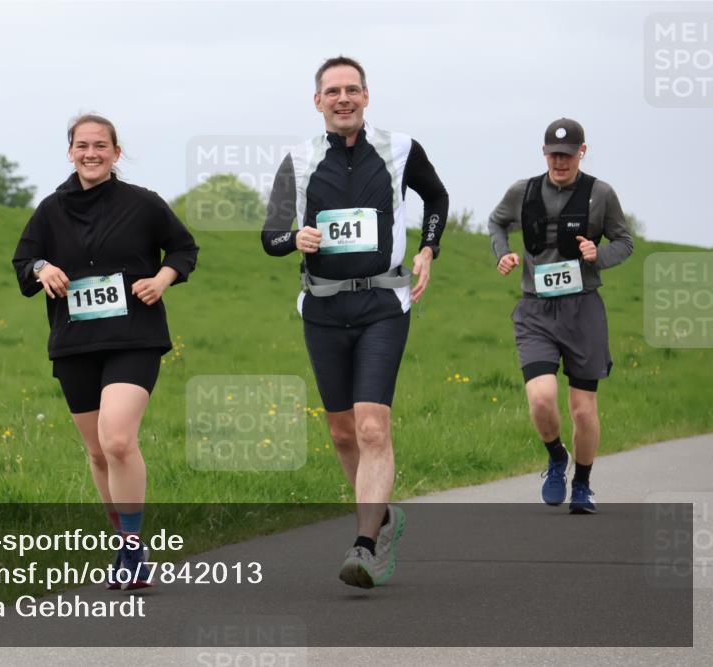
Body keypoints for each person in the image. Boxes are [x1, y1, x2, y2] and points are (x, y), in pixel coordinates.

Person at [262, 56, 448, 588]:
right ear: (317, 101)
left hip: (384, 304)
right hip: (322, 307)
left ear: (366, 96)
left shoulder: (401, 148)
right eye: (332, 91)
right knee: (342, 431)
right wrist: (293, 239)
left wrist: (429, 248)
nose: (343, 99)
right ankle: (383, 515)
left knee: (371, 423)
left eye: (352, 90)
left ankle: (365, 543)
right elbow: (271, 235)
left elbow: (436, 196)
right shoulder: (298, 160)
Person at [12, 114, 198, 587]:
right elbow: (23, 261)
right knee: (97, 454)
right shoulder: (51, 210)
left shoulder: (144, 204)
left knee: (117, 439)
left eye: (100, 145)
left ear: (116, 153)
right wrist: (40, 268)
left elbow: (183, 249)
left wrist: (162, 278)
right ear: (70, 152)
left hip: (134, 338)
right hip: (75, 343)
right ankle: (124, 544)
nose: (90, 153)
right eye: (82, 145)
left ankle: (134, 551)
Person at [488, 118, 633, 514]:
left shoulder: (601, 194)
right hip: (535, 309)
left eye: (567, 155)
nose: (560, 161)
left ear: (581, 152)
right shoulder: (523, 191)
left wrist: (598, 256)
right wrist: (502, 252)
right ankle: (556, 457)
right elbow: (497, 221)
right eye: (553, 153)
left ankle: (582, 485)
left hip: (583, 308)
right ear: (544, 152)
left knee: (583, 410)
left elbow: (625, 241)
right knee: (540, 399)